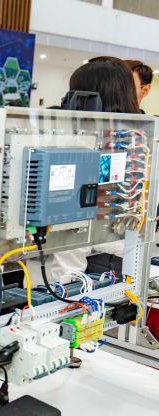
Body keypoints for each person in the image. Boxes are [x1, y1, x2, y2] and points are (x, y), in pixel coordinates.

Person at [51, 56, 140, 281]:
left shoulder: (90, 146)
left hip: (90, 265)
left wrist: (64, 284)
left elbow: (76, 223)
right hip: (132, 260)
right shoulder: (139, 140)